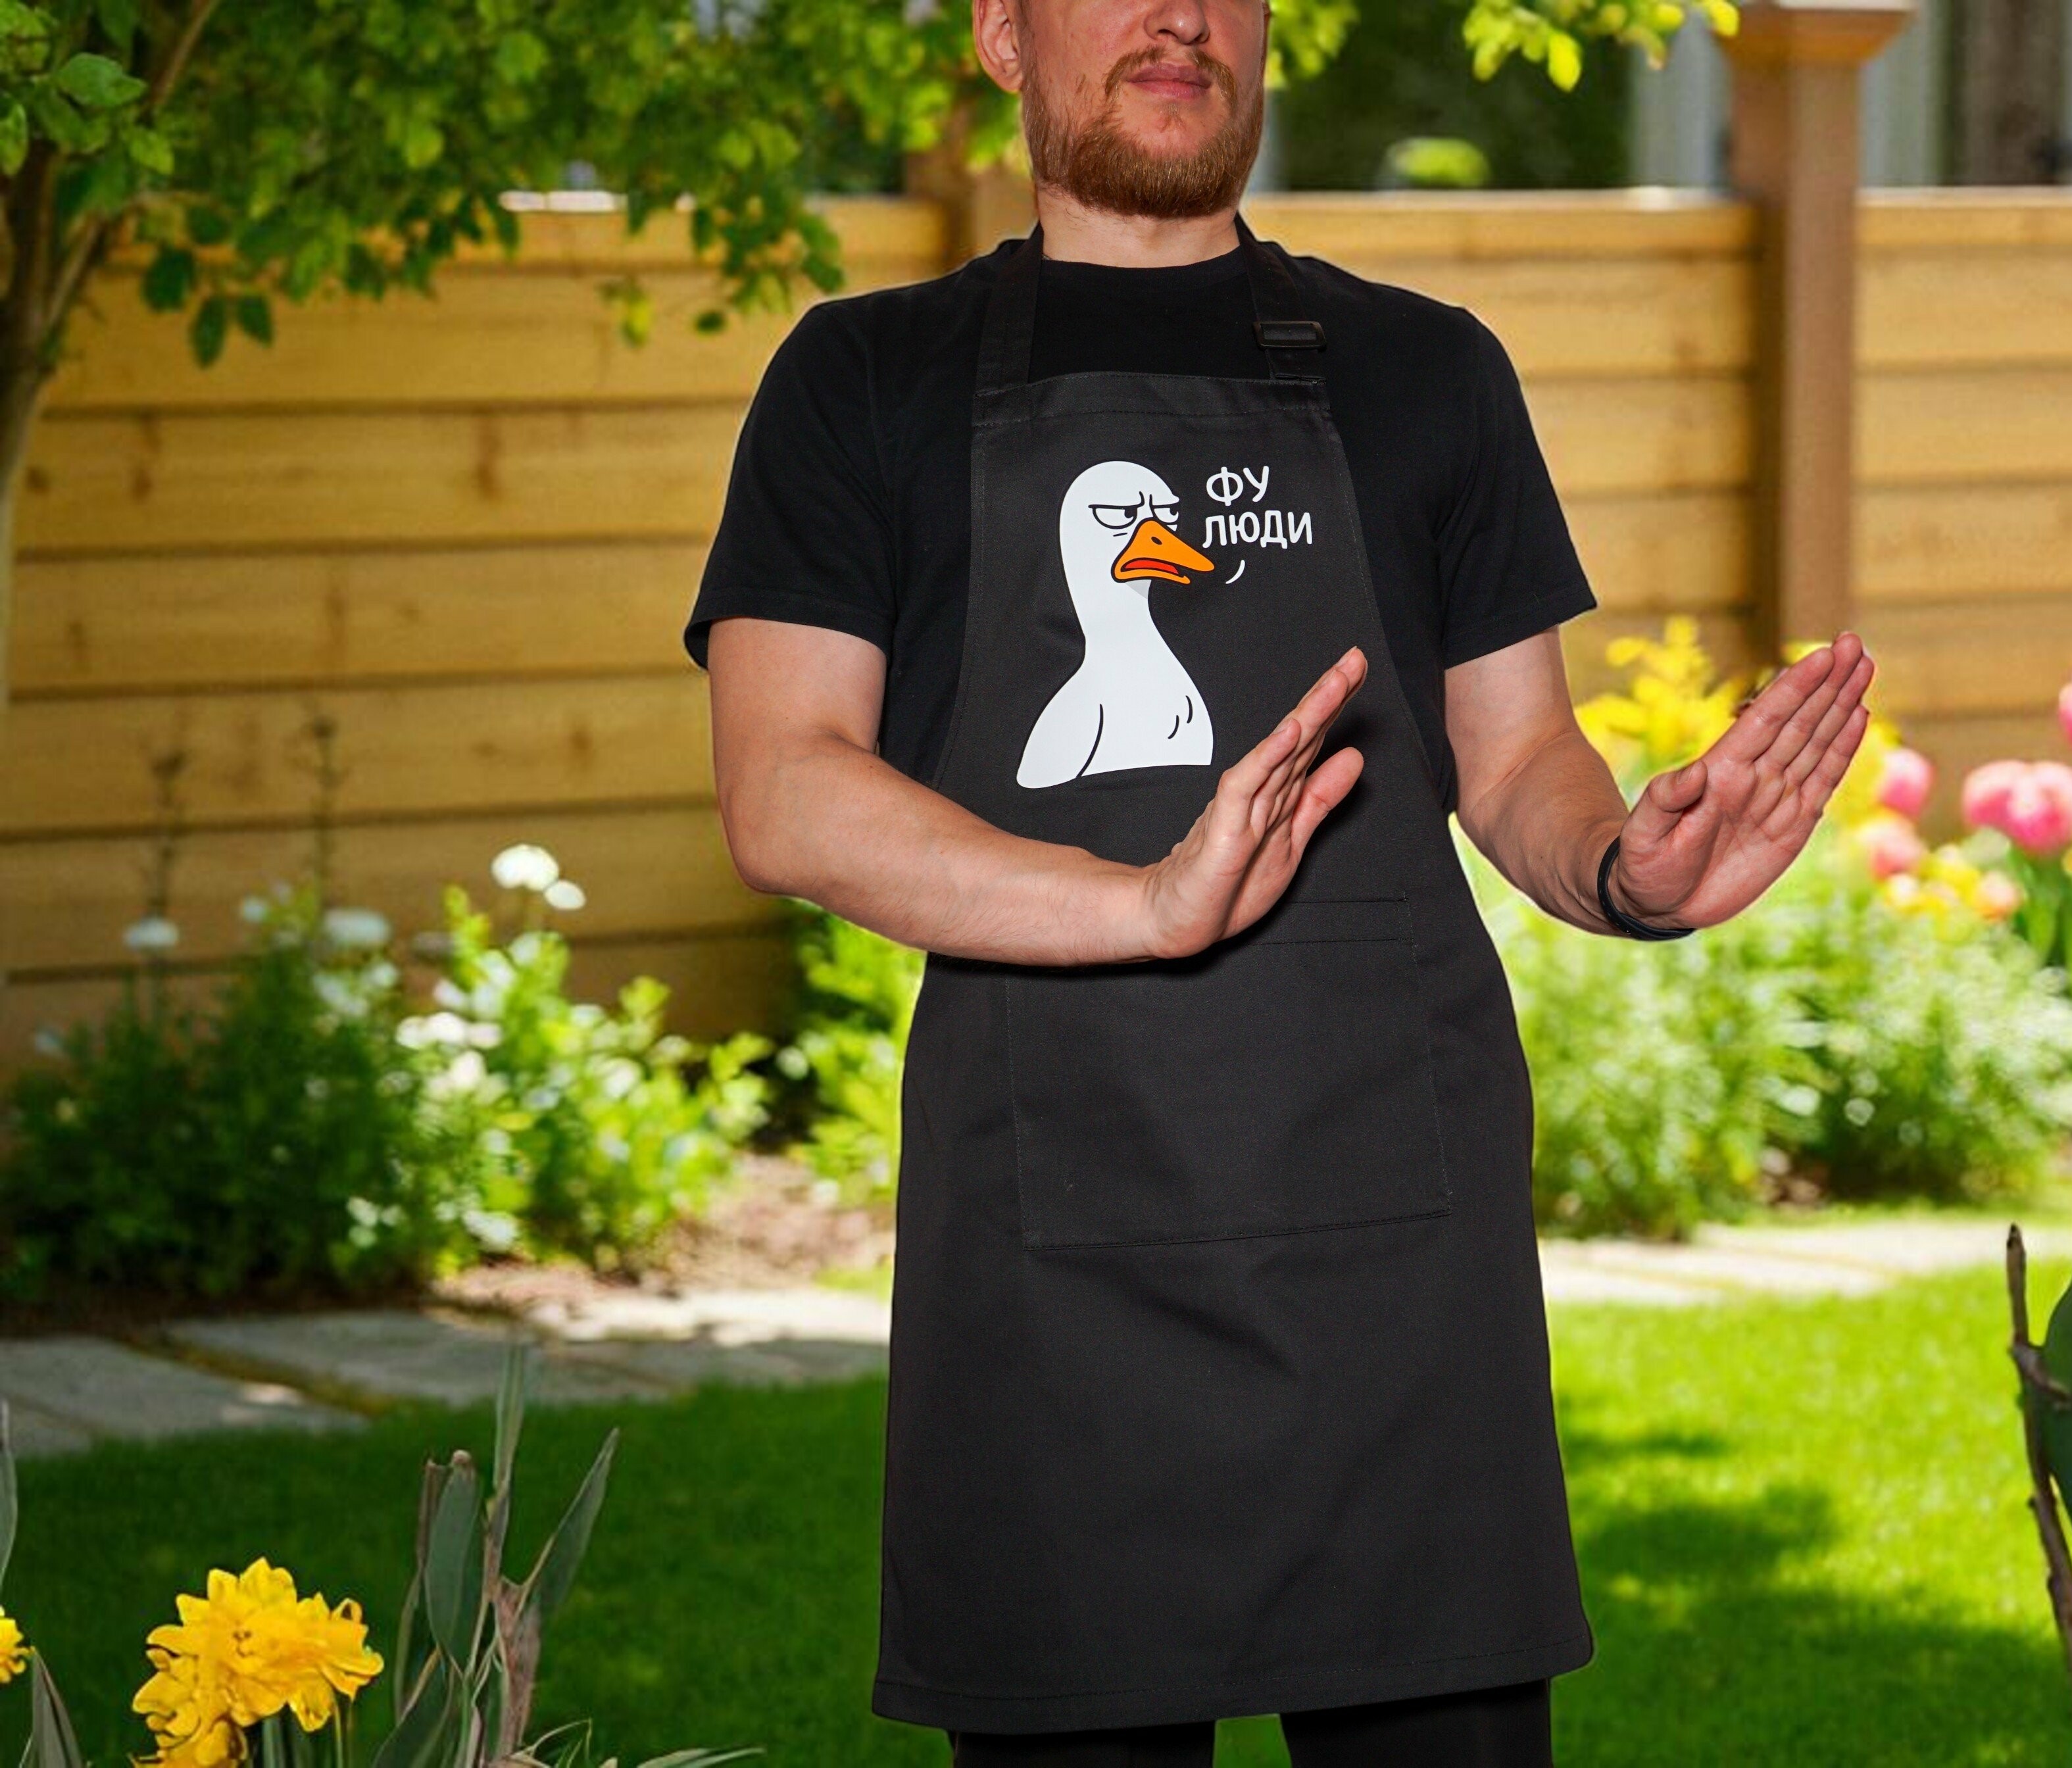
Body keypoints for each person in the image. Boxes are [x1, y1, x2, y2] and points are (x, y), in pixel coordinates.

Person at [684, 0, 1876, 1761]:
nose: (1180, 13)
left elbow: (1516, 763)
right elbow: (785, 790)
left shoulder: (1429, 370)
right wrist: (1140, 906)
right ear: (1003, 36)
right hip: (1052, 1262)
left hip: (1400, 1255)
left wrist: (1626, 868)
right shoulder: (862, 380)